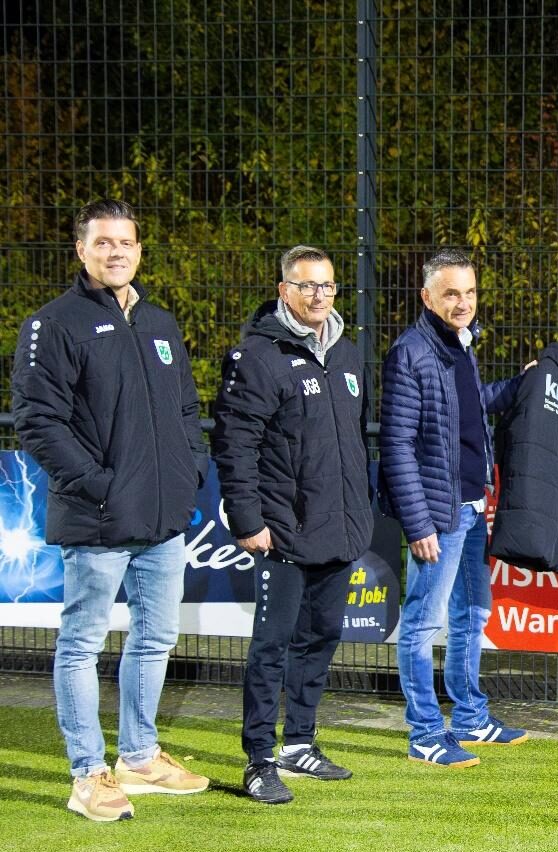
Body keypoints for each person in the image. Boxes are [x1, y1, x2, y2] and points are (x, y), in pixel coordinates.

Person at [11, 199, 210, 821]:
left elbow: (185, 410)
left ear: (139, 249)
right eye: (103, 243)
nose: (116, 252)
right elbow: (38, 423)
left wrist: (187, 474)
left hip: (162, 517)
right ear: (81, 251)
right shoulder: (54, 323)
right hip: (97, 517)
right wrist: (101, 485)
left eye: (125, 242)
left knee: (155, 639)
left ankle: (140, 757)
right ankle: (86, 775)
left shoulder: (159, 321)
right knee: (82, 644)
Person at [211, 246, 373, 804]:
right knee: (272, 646)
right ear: (284, 291)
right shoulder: (257, 357)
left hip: (339, 529)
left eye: (326, 287)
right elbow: (234, 445)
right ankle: (259, 758)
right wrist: (248, 519)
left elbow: (353, 441)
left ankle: (299, 743)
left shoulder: (348, 355)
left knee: (321, 638)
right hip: (281, 531)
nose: (318, 296)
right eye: (306, 286)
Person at [379, 249, 529, 769]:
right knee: (423, 624)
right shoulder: (411, 352)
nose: (462, 302)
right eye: (450, 293)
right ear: (427, 297)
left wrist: (517, 386)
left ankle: (469, 718)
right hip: (439, 517)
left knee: (471, 614)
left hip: (471, 507)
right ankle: (424, 732)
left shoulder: (459, 345)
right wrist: (419, 523)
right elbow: (396, 445)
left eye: (468, 292)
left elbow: (468, 407)